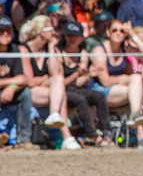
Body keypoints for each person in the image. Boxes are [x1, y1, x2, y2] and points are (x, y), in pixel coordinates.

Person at [18, 16, 82, 149]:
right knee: (60, 94)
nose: (54, 33)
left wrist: (52, 48)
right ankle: (66, 137)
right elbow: (29, 81)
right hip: (28, 92)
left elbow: (56, 73)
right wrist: (45, 79)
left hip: (45, 90)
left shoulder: (50, 49)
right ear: (42, 32)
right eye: (51, 29)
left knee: (58, 83)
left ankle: (54, 116)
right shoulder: (24, 50)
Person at [89, 19, 143, 143]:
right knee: (136, 88)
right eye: (114, 30)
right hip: (99, 92)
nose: (118, 33)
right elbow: (105, 81)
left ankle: (139, 128)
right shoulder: (99, 51)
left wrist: (132, 34)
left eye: (122, 31)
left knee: (138, 84)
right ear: (108, 32)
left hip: (119, 90)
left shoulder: (125, 48)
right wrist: (122, 79)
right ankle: (141, 136)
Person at [59, 20, 113, 147]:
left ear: (81, 38)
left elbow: (78, 83)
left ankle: (108, 133)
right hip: (61, 91)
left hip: (74, 88)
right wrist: (77, 74)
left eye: (75, 36)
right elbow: (61, 83)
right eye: (69, 35)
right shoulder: (58, 53)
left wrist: (89, 75)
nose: (71, 38)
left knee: (99, 96)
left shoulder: (82, 53)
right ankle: (94, 137)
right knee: (80, 99)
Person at [0, 15, 32, 147]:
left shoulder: (15, 50)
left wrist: (12, 87)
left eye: (9, 30)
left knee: (26, 93)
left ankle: (23, 139)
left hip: (9, 92)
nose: (5, 33)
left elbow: (23, 78)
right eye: (1, 30)